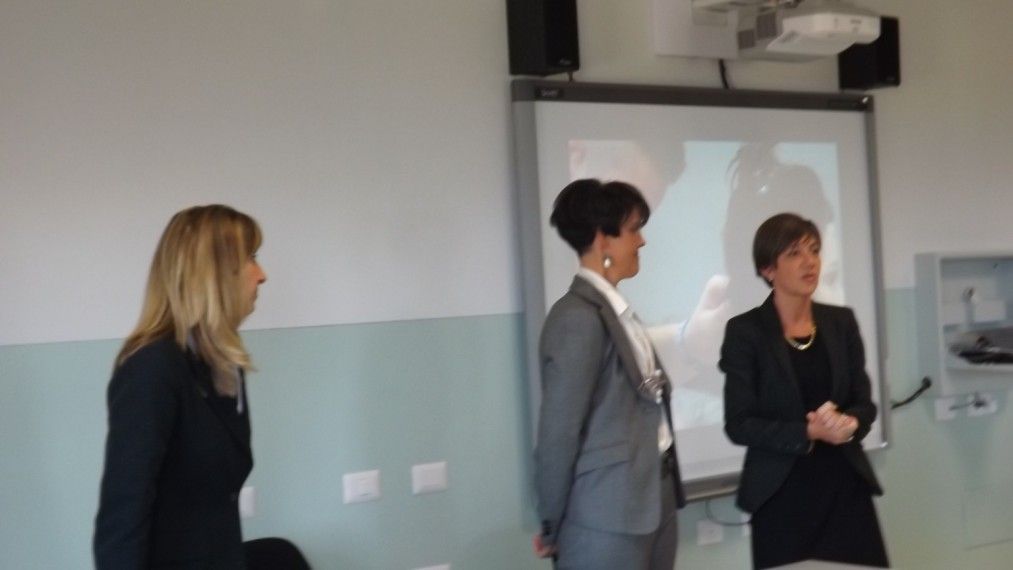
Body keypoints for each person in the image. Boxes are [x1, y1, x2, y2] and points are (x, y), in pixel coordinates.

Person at [94, 204, 267, 569]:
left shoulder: (222, 365)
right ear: (215, 272)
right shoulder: (152, 369)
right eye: (251, 258)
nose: (262, 274)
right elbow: (123, 515)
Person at [720, 212, 888, 569]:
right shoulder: (745, 332)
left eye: (814, 250)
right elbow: (739, 423)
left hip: (845, 486)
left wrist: (849, 423)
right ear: (768, 269)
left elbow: (864, 404)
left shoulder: (841, 322)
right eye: (794, 253)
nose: (810, 262)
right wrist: (808, 431)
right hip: (781, 494)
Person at [533, 179, 686, 569]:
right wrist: (550, 523)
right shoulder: (576, 318)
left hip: (654, 501)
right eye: (633, 230)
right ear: (603, 239)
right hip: (606, 517)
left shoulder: (616, 312)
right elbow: (558, 433)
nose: (641, 241)